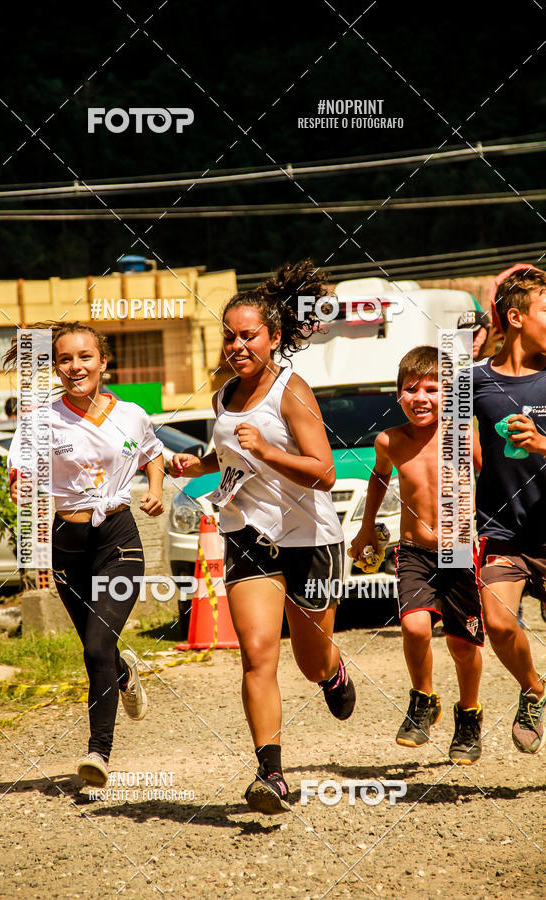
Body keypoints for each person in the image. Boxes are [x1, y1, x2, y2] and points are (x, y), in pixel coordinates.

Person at [169, 260, 355, 814]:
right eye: (230, 336)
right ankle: (271, 773)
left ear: (273, 337)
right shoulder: (223, 395)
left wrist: (269, 451)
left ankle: (332, 671)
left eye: (248, 335)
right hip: (247, 532)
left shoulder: (292, 391)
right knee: (256, 654)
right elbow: (228, 455)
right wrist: (197, 464)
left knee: (309, 659)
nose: (237, 345)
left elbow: (325, 472)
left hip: (310, 537)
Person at [5, 322, 165, 786]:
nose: (75, 367)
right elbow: (19, 468)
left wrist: (155, 488)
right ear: (56, 368)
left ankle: (98, 754)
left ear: (103, 362)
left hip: (118, 540)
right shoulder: (40, 420)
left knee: (97, 646)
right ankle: (123, 673)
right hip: (66, 545)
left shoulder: (131, 414)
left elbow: (152, 452)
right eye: (65, 359)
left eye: (84, 357)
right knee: (98, 650)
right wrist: (19, 486)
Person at [351, 346, 484, 765]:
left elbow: (493, 474)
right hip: (413, 551)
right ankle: (423, 699)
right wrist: (367, 526)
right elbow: (379, 477)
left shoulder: (463, 434)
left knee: (463, 644)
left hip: (459, 551)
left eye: (432, 389)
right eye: (411, 389)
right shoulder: (389, 441)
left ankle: (469, 715)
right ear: (398, 394)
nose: (420, 397)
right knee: (414, 628)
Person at [473, 266, 546, 754]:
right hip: (504, 532)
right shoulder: (473, 381)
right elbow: (446, 451)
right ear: (516, 318)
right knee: (499, 623)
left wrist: (542, 444)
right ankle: (534, 690)